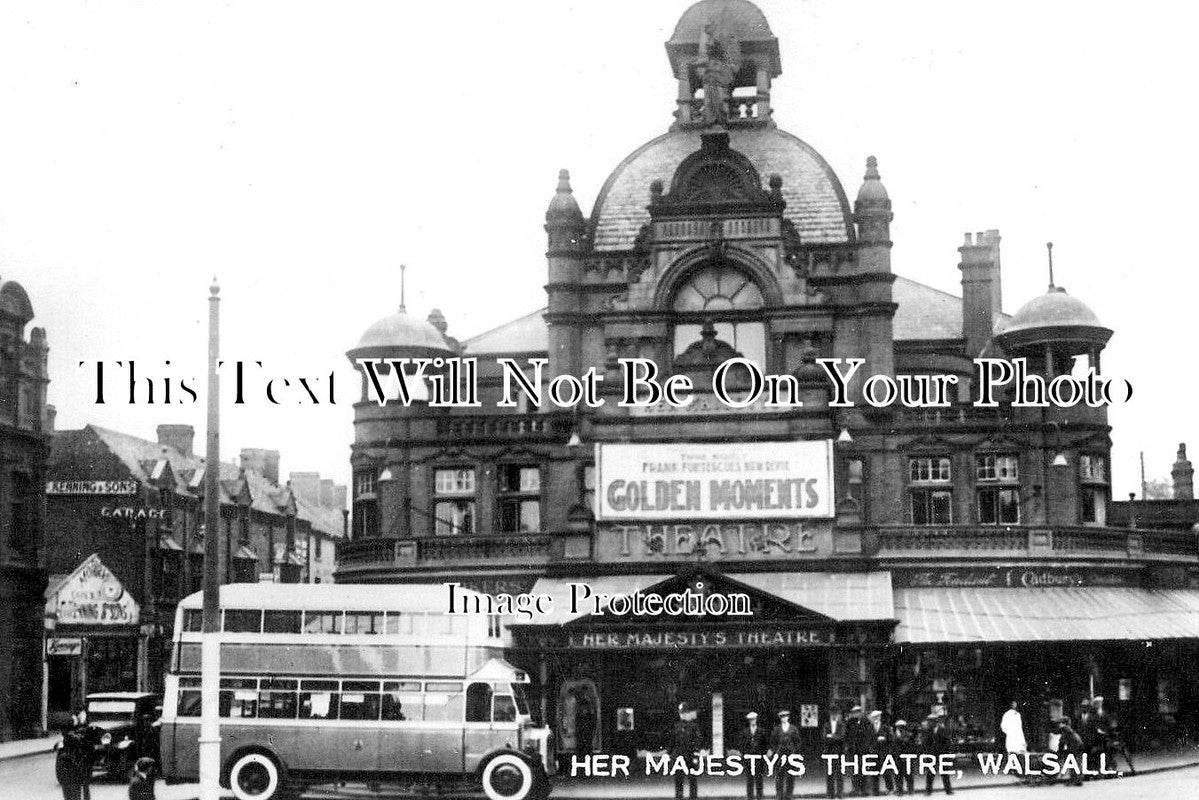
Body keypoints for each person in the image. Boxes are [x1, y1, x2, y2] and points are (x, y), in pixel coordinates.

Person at [669, 701, 702, 800]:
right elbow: (672, 741)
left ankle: (693, 797)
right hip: (678, 757)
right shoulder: (677, 726)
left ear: (688, 713)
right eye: (681, 713)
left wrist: (696, 755)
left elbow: (697, 742)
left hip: (690, 756)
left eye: (684, 713)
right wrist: (668, 753)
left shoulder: (694, 727)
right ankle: (679, 797)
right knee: (678, 780)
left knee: (692, 780)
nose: (682, 715)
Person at [769, 709, 802, 800]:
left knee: (791, 775)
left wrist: (795, 751)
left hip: (790, 754)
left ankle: (789, 795)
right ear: (780, 718)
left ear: (788, 717)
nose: (784, 718)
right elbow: (773, 741)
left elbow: (798, 741)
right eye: (782, 717)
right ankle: (779, 795)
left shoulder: (793, 728)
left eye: (785, 717)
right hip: (780, 755)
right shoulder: (777, 729)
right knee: (779, 775)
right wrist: (775, 751)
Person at [920, 714, 953, 795]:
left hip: (942, 754)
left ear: (936, 721)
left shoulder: (943, 729)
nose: (931, 723)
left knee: (945, 773)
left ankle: (948, 790)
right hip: (931, 755)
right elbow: (925, 743)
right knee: (930, 774)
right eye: (930, 721)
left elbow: (947, 742)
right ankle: (928, 791)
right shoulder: (927, 731)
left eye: (932, 721)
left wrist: (945, 753)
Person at [738, 711, 768, 799]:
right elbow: (741, 744)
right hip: (749, 759)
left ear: (756, 720)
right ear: (749, 721)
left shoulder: (761, 731)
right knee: (749, 780)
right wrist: (745, 754)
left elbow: (765, 744)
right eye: (751, 720)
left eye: (754, 719)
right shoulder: (745, 731)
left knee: (759, 780)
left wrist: (763, 754)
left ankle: (759, 797)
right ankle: (750, 797)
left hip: (759, 759)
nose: (753, 721)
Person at [844, 706, 871, 796]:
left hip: (863, 750)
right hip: (853, 749)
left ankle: (863, 789)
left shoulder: (866, 722)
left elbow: (868, 735)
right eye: (854, 712)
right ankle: (855, 788)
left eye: (858, 712)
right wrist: (848, 746)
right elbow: (846, 735)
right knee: (854, 770)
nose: (856, 714)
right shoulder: (850, 722)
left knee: (863, 769)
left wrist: (866, 746)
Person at [821, 707, 847, 798]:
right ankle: (830, 794)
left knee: (839, 774)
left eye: (835, 714)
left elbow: (842, 737)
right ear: (830, 715)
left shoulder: (841, 725)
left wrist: (831, 736)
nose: (834, 716)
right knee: (829, 774)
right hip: (828, 752)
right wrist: (834, 737)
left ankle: (840, 794)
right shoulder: (826, 725)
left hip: (839, 752)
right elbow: (824, 737)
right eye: (832, 714)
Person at [867, 710, 894, 796]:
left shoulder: (885, 727)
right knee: (874, 773)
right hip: (873, 753)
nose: (876, 719)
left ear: (879, 717)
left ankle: (890, 789)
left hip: (883, 752)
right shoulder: (869, 728)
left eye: (877, 717)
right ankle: (875, 791)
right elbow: (867, 740)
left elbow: (890, 739)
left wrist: (885, 739)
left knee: (886, 772)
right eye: (874, 717)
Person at [1055, 718, 1084, 787]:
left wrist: (1060, 752)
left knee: (1075, 763)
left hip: (1074, 747)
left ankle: (1076, 780)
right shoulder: (1068, 729)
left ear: (1063, 723)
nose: (1059, 725)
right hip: (1077, 746)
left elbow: (1062, 742)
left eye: (1060, 723)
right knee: (1076, 763)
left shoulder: (1065, 729)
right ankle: (1078, 780)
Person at [892, 720, 915, 796]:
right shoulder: (893, 735)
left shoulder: (908, 735)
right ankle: (899, 791)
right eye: (899, 726)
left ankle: (910, 790)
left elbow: (911, 746)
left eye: (902, 726)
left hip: (906, 757)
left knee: (908, 775)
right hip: (896, 757)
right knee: (898, 775)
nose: (900, 727)